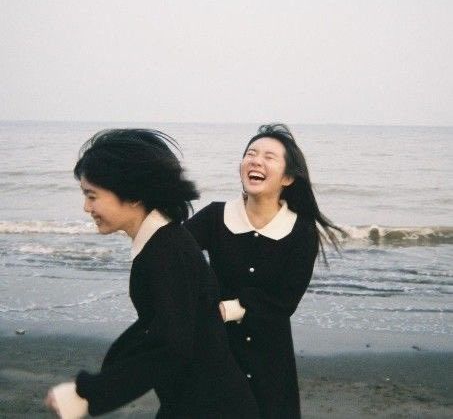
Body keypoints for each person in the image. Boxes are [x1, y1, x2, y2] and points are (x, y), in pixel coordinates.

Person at [44, 129, 259, 418]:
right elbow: (155, 329)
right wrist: (91, 387)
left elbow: (169, 346)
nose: (86, 207)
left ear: (133, 195)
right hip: (194, 401)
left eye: (92, 195)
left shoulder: (166, 252)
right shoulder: (161, 244)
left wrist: (91, 395)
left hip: (210, 407)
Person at [185, 123, 341, 419]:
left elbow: (285, 301)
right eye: (251, 153)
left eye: (269, 157)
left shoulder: (301, 231)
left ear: (288, 177)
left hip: (270, 355)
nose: (256, 160)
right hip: (216, 347)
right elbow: (175, 257)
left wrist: (228, 309)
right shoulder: (216, 216)